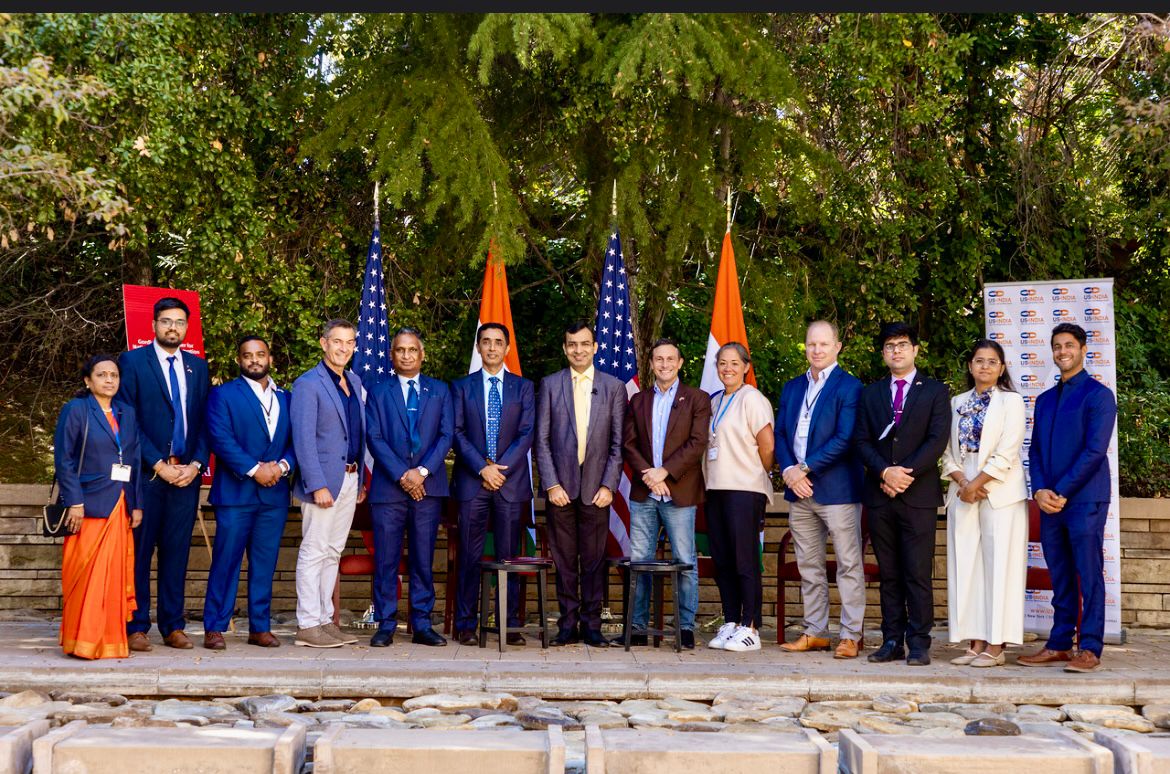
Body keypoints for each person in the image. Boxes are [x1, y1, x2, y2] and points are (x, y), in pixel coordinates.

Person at [1018, 322, 1117, 673]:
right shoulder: (1044, 400)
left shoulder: (1099, 396)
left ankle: (1089, 647)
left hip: (1085, 499)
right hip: (1049, 502)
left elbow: (1094, 451)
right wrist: (1040, 490)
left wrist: (1061, 491)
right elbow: (1036, 451)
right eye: (1057, 346)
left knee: (1088, 575)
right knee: (1060, 575)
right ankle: (1059, 644)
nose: (1063, 351)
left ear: (1083, 349)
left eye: (1069, 345)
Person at [115, 297, 211, 651]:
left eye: (180, 322)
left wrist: (196, 465)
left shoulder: (197, 367)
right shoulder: (132, 362)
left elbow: (205, 422)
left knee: (176, 552)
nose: (173, 327)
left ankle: (173, 625)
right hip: (147, 475)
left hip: (186, 475)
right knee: (139, 553)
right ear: (154, 325)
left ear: (187, 328)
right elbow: (127, 419)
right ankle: (136, 625)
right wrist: (158, 464)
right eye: (167, 321)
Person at [854, 322, 950, 666]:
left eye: (903, 344)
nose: (896, 351)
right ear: (883, 353)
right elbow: (861, 440)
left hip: (917, 494)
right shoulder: (870, 394)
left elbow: (937, 440)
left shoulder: (935, 391)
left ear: (915, 350)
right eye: (890, 346)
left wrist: (903, 474)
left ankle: (920, 642)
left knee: (917, 572)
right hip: (880, 495)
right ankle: (891, 639)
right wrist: (884, 472)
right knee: (889, 573)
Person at [775, 320, 866, 659]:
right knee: (809, 566)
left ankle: (850, 635)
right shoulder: (792, 387)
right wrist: (788, 470)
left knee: (848, 565)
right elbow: (781, 434)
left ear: (837, 346)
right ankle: (815, 631)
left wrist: (804, 468)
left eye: (824, 344)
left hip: (838, 491)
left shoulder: (850, 387)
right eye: (811, 344)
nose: (817, 350)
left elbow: (844, 438)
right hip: (799, 492)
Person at [535, 321, 627, 648]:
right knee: (563, 563)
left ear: (595, 347)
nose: (579, 350)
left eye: (585, 344)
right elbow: (541, 441)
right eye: (572, 344)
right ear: (565, 348)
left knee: (593, 562)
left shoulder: (614, 387)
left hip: (596, 491)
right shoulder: (550, 385)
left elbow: (618, 445)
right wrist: (551, 485)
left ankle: (591, 626)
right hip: (560, 491)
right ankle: (566, 625)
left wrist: (608, 486)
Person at [202, 335, 296, 650]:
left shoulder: (287, 398)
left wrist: (281, 467)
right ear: (239, 360)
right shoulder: (223, 395)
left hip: (274, 496)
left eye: (260, 354)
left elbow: (296, 441)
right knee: (226, 562)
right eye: (247, 355)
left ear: (270, 358)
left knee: (265, 564)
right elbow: (220, 439)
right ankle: (215, 627)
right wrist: (256, 469)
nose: (254, 359)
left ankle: (259, 627)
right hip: (236, 494)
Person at [364, 327, 453, 647]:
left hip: (428, 489)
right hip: (389, 489)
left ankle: (422, 625)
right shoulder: (377, 391)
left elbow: (446, 435)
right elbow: (374, 437)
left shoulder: (440, 390)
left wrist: (422, 472)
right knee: (386, 560)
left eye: (412, 350)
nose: (406, 355)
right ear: (392, 355)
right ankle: (385, 624)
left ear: (422, 354)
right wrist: (404, 475)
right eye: (400, 350)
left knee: (422, 558)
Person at [941, 339, 1028, 669]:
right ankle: (975, 641)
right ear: (970, 366)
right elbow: (946, 451)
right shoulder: (957, 402)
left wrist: (977, 484)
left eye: (992, 362)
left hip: (999, 489)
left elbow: (1007, 451)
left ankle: (996, 644)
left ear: (1001, 368)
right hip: (962, 485)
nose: (985, 366)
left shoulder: (1011, 402)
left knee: (999, 567)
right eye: (979, 360)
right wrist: (963, 483)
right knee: (967, 566)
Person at [451, 323, 536, 646]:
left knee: (508, 557)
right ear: (478, 347)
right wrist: (482, 469)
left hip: (510, 484)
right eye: (485, 342)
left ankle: (508, 623)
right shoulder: (461, 387)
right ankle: (465, 624)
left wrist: (500, 470)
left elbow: (526, 433)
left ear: (507, 348)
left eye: (498, 342)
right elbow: (456, 432)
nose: (491, 347)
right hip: (473, 483)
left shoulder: (523, 387)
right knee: (469, 557)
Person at [622, 337, 710, 650]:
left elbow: (697, 443)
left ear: (680, 363)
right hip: (645, 494)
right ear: (651, 363)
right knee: (640, 562)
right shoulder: (638, 400)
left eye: (670, 359)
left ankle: (685, 627)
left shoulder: (697, 398)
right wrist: (650, 475)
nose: (664, 364)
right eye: (659, 359)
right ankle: (637, 626)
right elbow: (629, 444)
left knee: (685, 561)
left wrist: (665, 472)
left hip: (679, 492)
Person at [55, 355, 144, 659]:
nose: (109, 380)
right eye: (102, 374)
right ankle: (82, 640)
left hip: (120, 502)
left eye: (114, 375)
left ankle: (109, 640)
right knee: (85, 574)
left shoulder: (127, 413)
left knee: (113, 577)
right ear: (87, 380)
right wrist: (74, 502)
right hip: (89, 503)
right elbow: (64, 459)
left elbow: (134, 460)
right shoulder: (76, 410)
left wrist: (136, 503)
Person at [290, 319, 366, 648]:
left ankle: (324, 619)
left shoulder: (354, 381)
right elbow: (303, 439)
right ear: (324, 343)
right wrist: (316, 484)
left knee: (333, 551)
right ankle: (308, 624)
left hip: (350, 478)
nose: (343, 348)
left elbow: (356, 434)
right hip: (323, 482)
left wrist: (359, 480)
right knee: (314, 550)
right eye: (337, 341)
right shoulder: (308, 384)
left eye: (349, 343)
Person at [703, 342, 775, 653]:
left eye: (734, 363)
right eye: (722, 363)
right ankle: (732, 621)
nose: (728, 368)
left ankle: (751, 626)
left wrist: (756, 474)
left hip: (745, 489)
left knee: (745, 560)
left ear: (746, 367)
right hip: (715, 488)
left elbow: (767, 446)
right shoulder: (714, 401)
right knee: (723, 560)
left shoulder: (752, 398)